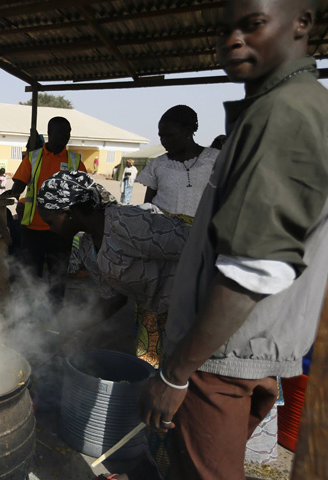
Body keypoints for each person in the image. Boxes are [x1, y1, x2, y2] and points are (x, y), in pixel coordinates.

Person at [140, 2, 328, 479]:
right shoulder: (291, 108)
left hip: (221, 355)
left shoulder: (282, 115)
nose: (233, 40)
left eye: (253, 24)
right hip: (249, 347)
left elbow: (255, 266)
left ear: (302, 24)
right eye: (224, 30)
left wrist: (176, 372)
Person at [37, 171, 190, 368]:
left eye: (50, 222)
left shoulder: (128, 223)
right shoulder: (87, 246)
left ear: (69, 212)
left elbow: (195, 246)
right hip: (154, 313)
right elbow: (114, 297)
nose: (50, 229)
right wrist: (73, 328)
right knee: (153, 375)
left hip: (188, 309)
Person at [5, 116, 87, 305]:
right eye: (61, 132)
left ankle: (53, 316)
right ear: (49, 133)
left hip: (62, 230)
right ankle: (29, 313)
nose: (65, 136)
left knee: (57, 276)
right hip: (33, 229)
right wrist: (9, 194)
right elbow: (18, 186)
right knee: (30, 276)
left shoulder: (74, 161)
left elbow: (84, 191)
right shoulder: (33, 158)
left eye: (68, 132)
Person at [136, 105, 219, 221]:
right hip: (162, 233)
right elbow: (148, 207)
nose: (164, 141)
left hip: (202, 234)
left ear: (188, 131)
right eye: (161, 136)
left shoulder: (216, 159)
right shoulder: (158, 164)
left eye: (169, 135)